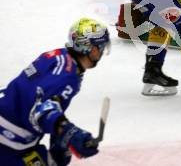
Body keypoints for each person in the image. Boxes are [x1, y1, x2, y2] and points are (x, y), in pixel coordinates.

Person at [0, 18, 111, 165]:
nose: (101, 52)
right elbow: (41, 108)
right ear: (93, 49)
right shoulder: (67, 76)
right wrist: (70, 133)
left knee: (55, 159)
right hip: (7, 142)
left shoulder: (57, 56)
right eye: (101, 47)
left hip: (10, 122)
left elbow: (40, 96)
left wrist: (58, 132)